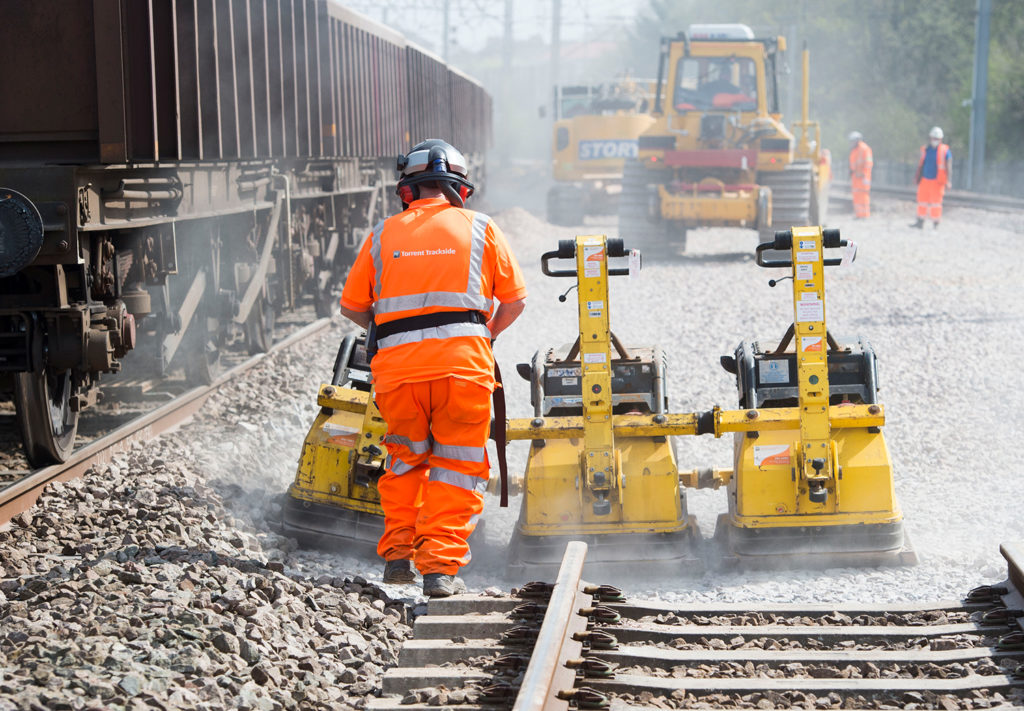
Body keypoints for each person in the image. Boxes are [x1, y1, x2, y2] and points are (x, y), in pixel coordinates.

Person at [338, 139, 527, 597]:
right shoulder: (482, 229)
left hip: (398, 373)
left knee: (405, 461)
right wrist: (485, 334)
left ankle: (399, 556)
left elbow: (352, 308)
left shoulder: (383, 234)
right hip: (464, 370)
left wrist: (392, 327)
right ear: (460, 189)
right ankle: (439, 570)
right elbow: (515, 301)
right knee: (458, 466)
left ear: (408, 189)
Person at [911, 126, 952, 229]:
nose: (935, 141)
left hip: (938, 181)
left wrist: (948, 180)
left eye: (937, 139)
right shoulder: (925, 149)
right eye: (933, 138)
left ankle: (935, 224)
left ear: (941, 139)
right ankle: (920, 222)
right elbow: (921, 164)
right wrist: (917, 177)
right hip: (925, 180)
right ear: (930, 138)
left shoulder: (945, 151)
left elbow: (949, 166)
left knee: (936, 203)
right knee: (922, 201)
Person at [848, 131, 873, 219]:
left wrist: (866, 176)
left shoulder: (865, 149)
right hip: (856, 177)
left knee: (863, 196)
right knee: (857, 196)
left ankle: (865, 215)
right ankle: (859, 215)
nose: (851, 143)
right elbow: (853, 163)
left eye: (852, 141)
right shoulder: (854, 150)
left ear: (857, 140)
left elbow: (868, 163)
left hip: (863, 177)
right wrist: (851, 172)